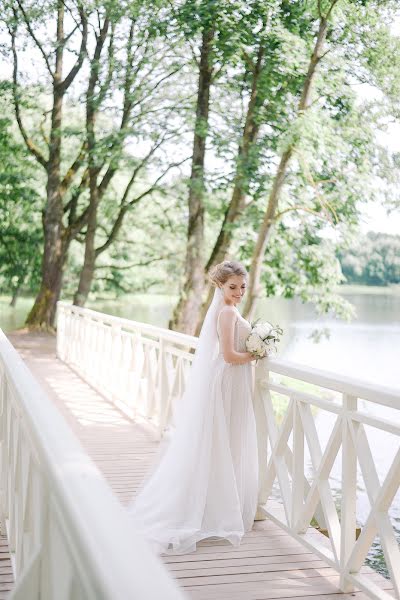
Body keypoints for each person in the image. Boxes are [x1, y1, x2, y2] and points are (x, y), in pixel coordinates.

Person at [128, 260, 259, 554]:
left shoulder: (231, 310)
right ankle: (210, 508)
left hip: (232, 383)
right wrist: (255, 354)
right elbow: (227, 355)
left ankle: (217, 503)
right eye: (232, 287)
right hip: (226, 383)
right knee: (220, 443)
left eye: (242, 287)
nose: (239, 292)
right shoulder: (226, 313)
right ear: (220, 286)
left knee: (223, 443)